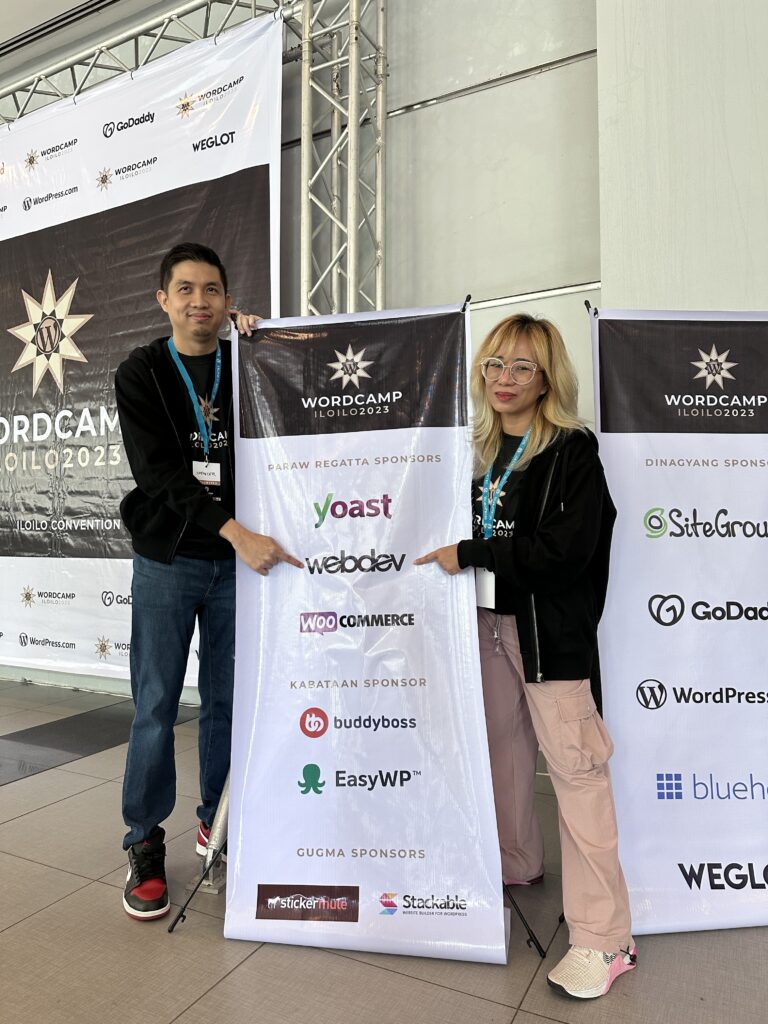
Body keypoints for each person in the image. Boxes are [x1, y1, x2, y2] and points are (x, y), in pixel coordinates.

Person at [415, 313, 636, 1000]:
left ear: (546, 379)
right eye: (493, 365)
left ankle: (606, 938)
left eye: (521, 368)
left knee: (575, 770)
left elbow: (565, 554)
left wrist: (475, 553)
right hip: (482, 624)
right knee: (503, 752)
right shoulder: (473, 450)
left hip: (548, 636)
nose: (504, 380)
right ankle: (517, 863)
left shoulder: (572, 450)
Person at [115, 241, 302, 921]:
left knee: (227, 702)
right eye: (186, 290)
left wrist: (271, 345)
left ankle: (214, 822)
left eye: (213, 291)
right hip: (173, 557)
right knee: (156, 703)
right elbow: (159, 476)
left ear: (228, 302)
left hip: (237, 567)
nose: (201, 302)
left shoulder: (247, 361)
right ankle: (143, 840)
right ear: (163, 299)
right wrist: (235, 532)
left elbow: (307, 415)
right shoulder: (139, 373)